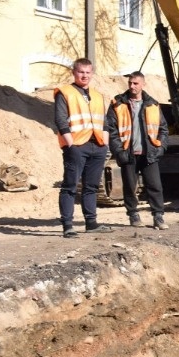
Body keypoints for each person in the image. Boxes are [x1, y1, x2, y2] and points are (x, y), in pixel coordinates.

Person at [54, 58, 113, 237]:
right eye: (81, 72)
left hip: (97, 145)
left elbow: (104, 121)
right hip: (77, 145)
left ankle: (91, 222)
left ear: (92, 74)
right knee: (70, 186)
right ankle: (68, 225)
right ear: (74, 72)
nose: (84, 75)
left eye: (88, 72)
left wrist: (105, 142)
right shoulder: (65, 93)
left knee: (91, 186)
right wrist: (70, 144)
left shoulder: (97, 95)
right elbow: (60, 120)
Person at [105, 71, 169, 230]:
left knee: (155, 186)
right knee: (129, 187)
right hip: (128, 153)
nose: (132, 86)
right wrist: (119, 151)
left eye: (136, 83)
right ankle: (133, 214)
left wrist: (160, 147)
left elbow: (163, 129)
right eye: (130, 83)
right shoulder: (118, 104)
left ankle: (158, 216)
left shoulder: (153, 104)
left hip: (149, 153)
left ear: (143, 84)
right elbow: (111, 130)